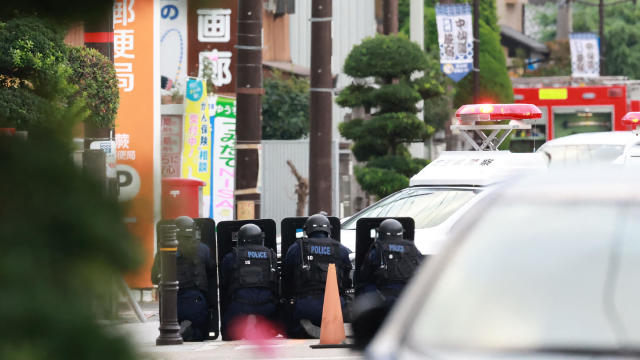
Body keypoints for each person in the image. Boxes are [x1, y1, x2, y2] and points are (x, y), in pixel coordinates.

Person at [281, 213, 352, 338]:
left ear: (307, 230)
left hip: (305, 306)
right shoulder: (340, 249)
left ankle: (303, 327)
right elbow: (347, 281)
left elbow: (286, 279)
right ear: (328, 230)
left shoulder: (296, 248)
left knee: (290, 320)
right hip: (335, 306)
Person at [151, 216, 216, 341]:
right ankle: (189, 329)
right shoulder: (203, 249)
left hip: (171, 306)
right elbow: (211, 270)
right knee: (200, 333)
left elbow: (154, 277)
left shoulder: (163, 250)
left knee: (174, 330)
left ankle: (182, 328)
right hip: (196, 301)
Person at [220, 223, 280, 340]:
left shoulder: (231, 257)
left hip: (240, 306)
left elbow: (225, 283)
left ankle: (246, 325)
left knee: (228, 334)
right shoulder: (271, 255)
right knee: (274, 327)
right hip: (267, 306)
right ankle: (262, 326)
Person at [358, 219, 422, 306]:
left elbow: (365, 274)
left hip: (383, 293)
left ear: (381, 233)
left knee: (365, 288)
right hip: (407, 293)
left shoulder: (377, 248)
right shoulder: (412, 247)